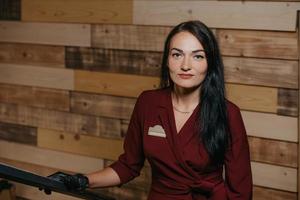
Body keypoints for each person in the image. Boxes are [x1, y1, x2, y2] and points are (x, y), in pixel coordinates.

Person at [48, 20, 253, 200]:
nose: (185, 65)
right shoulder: (148, 103)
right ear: (167, 60)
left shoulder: (228, 114)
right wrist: (82, 180)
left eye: (198, 56)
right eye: (177, 55)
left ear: (210, 64)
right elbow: (128, 166)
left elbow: (240, 193)